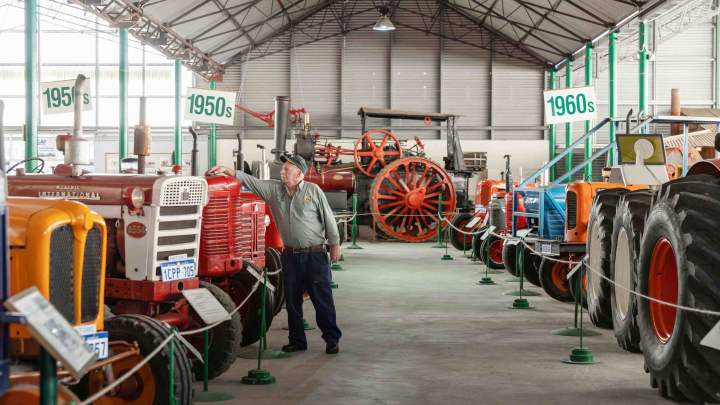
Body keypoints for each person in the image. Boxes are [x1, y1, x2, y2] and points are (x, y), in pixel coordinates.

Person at [208, 155, 342, 354]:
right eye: (282, 169)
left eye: (287, 169)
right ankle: (297, 340)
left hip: (315, 255)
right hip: (289, 255)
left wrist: (335, 244)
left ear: (299, 174)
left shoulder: (313, 191)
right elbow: (251, 181)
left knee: (321, 299)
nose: (282, 172)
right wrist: (229, 171)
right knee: (292, 300)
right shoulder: (274, 190)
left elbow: (328, 219)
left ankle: (331, 339)